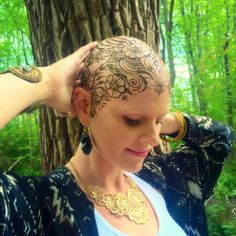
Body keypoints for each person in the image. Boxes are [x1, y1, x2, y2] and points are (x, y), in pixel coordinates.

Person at [0, 36, 234, 236]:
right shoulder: (37, 207)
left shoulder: (166, 178)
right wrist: (48, 82)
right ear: (84, 105)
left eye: (159, 121)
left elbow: (221, 138)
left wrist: (157, 118)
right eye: (132, 120)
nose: (154, 139)